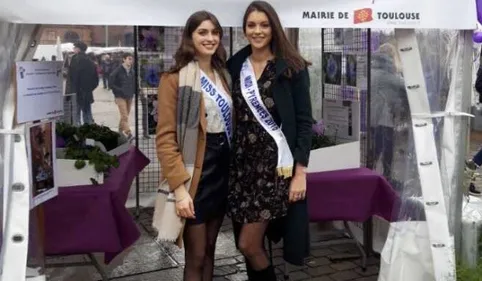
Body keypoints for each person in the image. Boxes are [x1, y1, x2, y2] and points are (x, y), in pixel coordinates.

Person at [226, 1, 312, 279]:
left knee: (248, 244)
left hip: (274, 170)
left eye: (264, 25)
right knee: (249, 246)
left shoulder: (292, 68)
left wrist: (300, 172)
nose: (258, 31)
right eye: (252, 25)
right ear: (244, 29)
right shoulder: (235, 64)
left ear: (274, 28)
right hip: (241, 168)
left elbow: (304, 122)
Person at [153, 11, 232, 281]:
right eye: (202, 32)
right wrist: (180, 189)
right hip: (195, 174)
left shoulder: (224, 74)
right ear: (190, 36)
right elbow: (165, 139)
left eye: (214, 32)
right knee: (196, 255)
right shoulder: (173, 79)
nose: (210, 38)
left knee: (211, 249)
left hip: (222, 171)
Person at [370, 43, 408, 180]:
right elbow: (405, 86)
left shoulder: (372, 70)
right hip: (385, 118)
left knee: (376, 147)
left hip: (373, 116)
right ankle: (386, 178)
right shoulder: (387, 73)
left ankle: (369, 173)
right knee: (387, 150)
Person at [69, 41, 99, 126]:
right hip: (87, 93)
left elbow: (72, 77)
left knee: (76, 116)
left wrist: (74, 89)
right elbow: (96, 80)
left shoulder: (75, 59)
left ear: (78, 49)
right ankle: (89, 133)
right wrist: (88, 88)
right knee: (88, 115)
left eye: (74, 48)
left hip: (77, 92)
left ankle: (78, 135)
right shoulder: (90, 61)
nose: (73, 49)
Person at [109, 53, 136, 139]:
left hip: (129, 96)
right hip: (120, 96)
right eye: (129, 59)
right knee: (124, 115)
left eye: (131, 59)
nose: (130, 61)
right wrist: (118, 91)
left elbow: (134, 83)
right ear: (124, 59)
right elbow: (111, 83)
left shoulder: (132, 71)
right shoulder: (118, 70)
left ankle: (119, 131)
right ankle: (128, 133)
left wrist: (134, 91)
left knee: (125, 115)